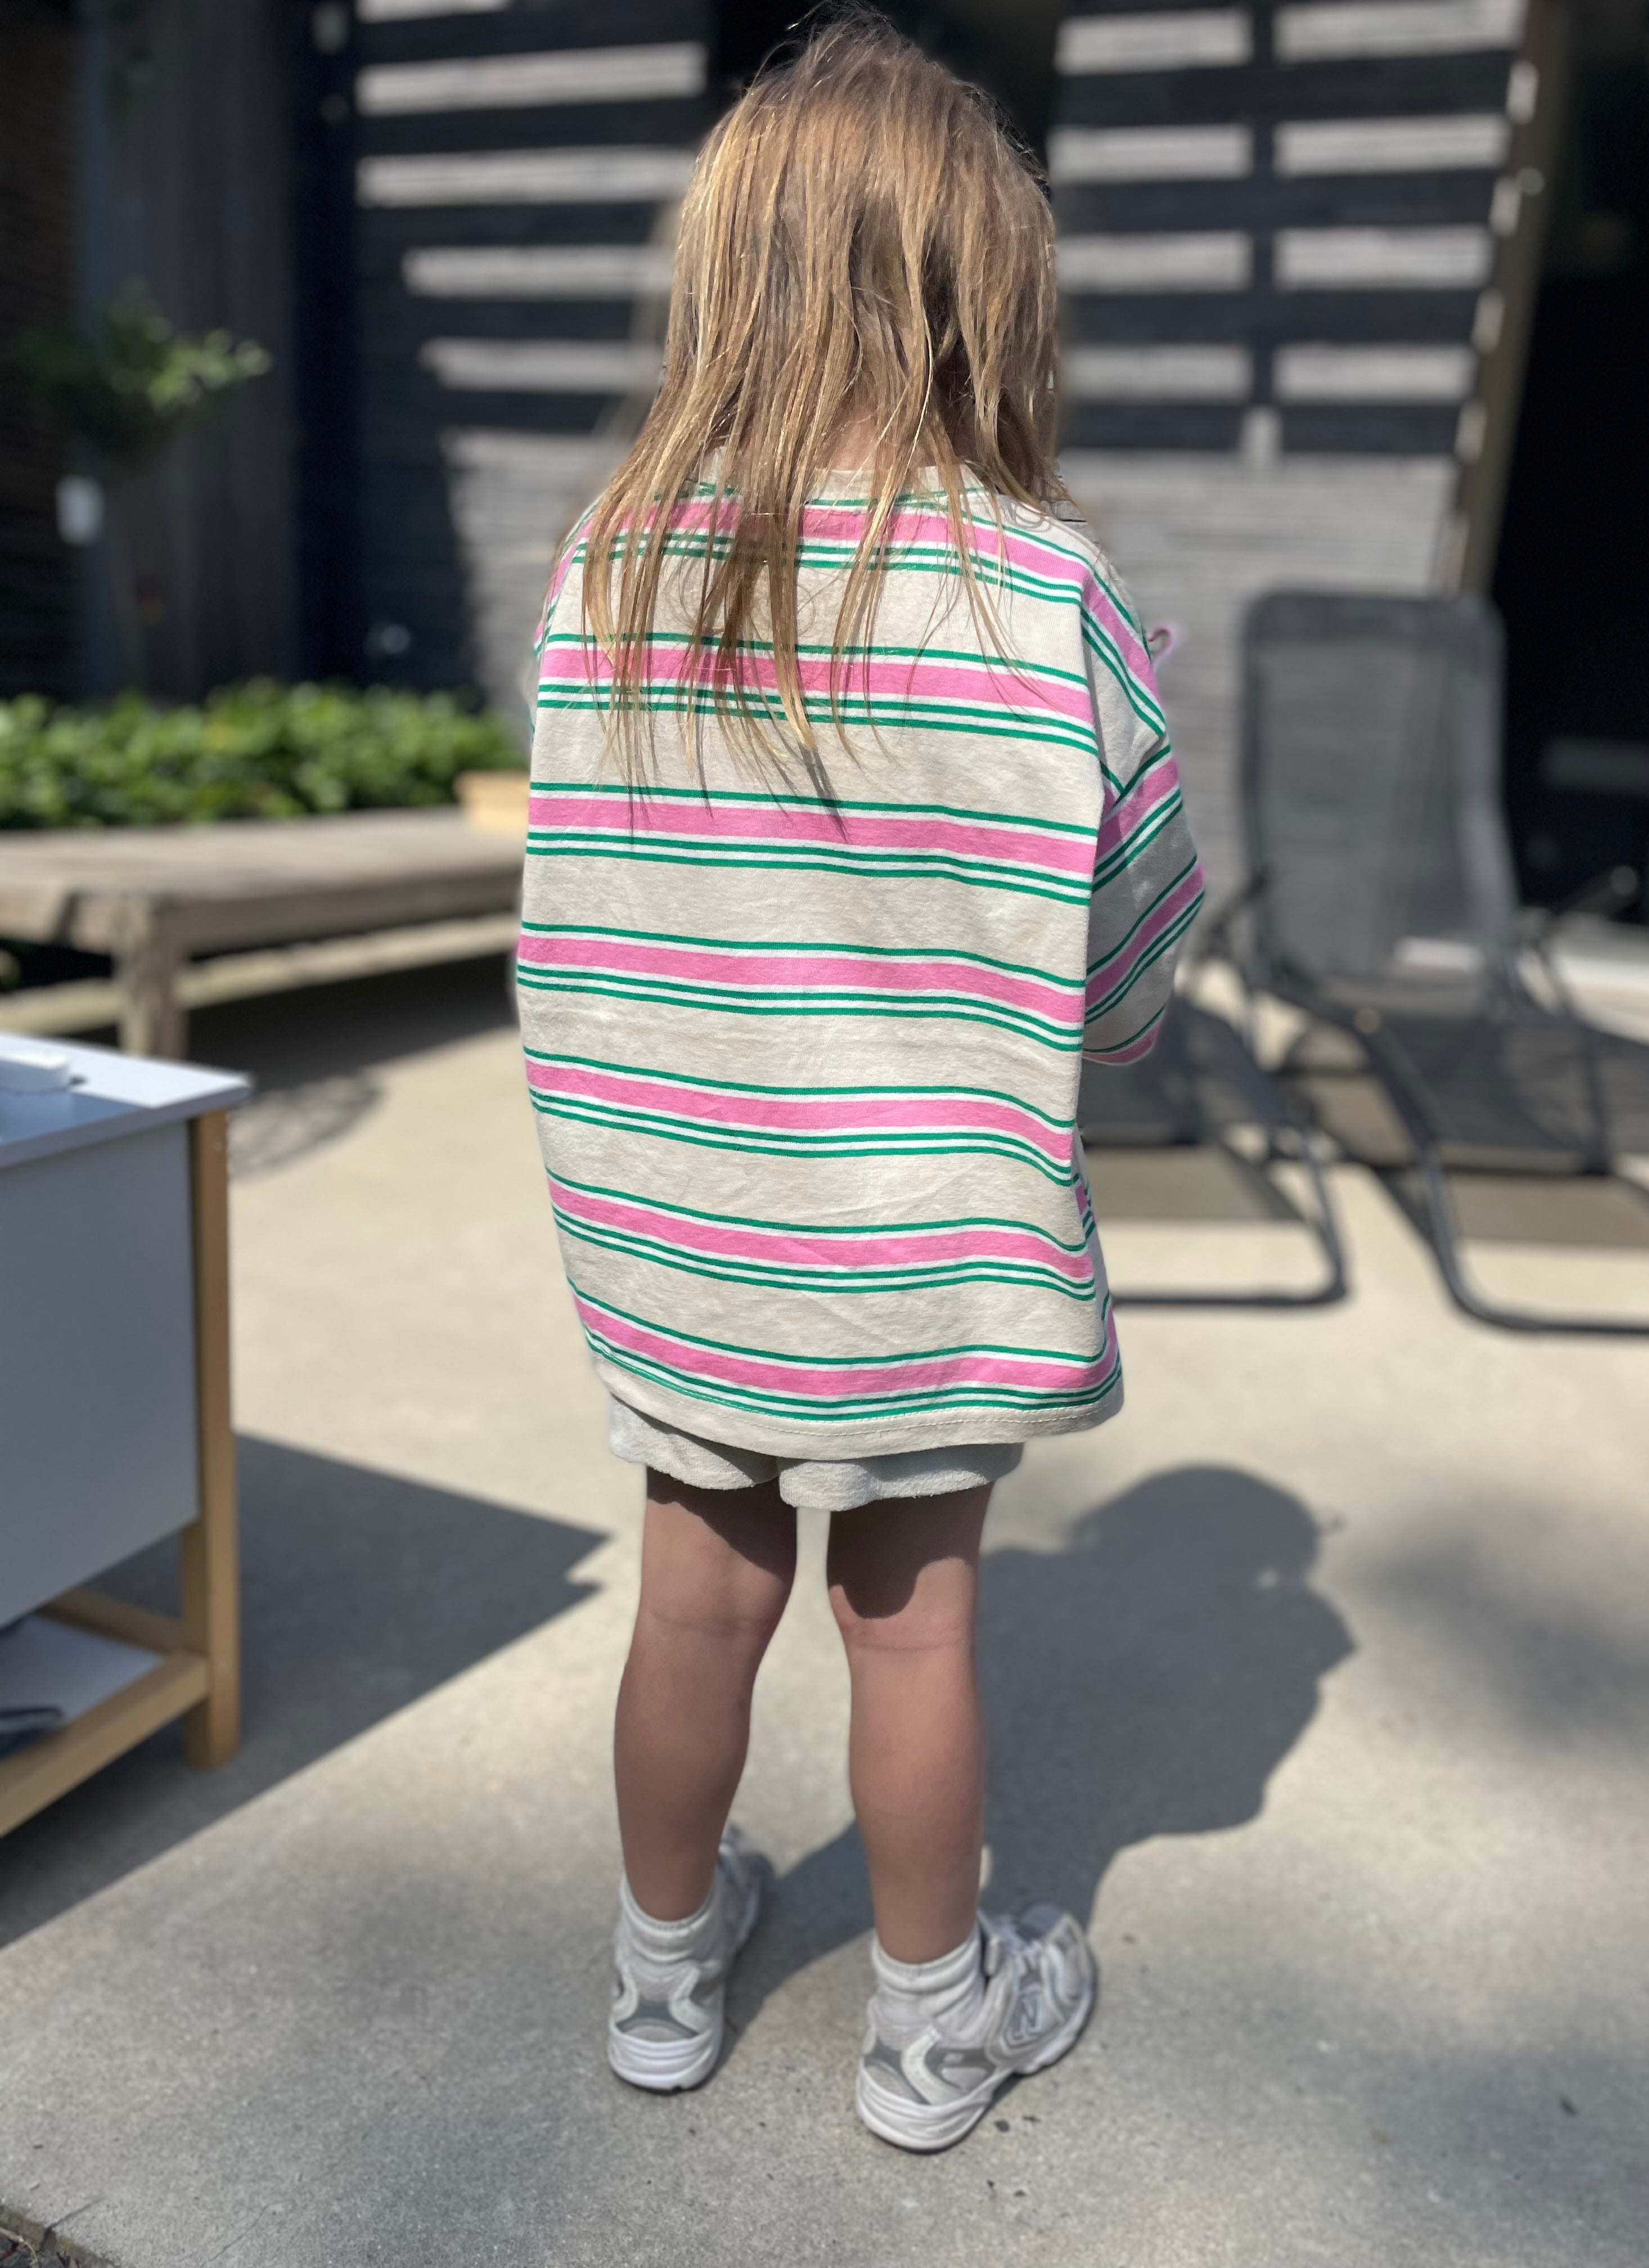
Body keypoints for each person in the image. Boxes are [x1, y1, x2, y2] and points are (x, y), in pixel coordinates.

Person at [518, 14, 1201, 2153]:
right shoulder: (1048, 590)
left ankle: (660, 1981)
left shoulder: (611, 565)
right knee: (909, 1637)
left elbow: (573, 912)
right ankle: (931, 2030)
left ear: (729, 274)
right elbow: (1135, 952)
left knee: (691, 1600)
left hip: (682, 1210)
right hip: (922, 1238)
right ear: (987, 292)